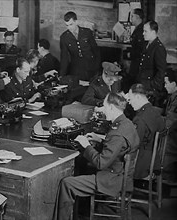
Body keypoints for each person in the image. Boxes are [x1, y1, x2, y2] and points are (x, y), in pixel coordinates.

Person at [52, 92, 139, 220]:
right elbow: (118, 148)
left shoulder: (117, 133)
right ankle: (79, 213)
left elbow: (100, 163)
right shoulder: (127, 123)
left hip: (112, 180)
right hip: (121, 174)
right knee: (83, 167)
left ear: (111, 107)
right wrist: (100, 140)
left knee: (67, 183)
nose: (102, 110)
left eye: (104, 106)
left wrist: (86, 145)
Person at [127, 83, 165, 179]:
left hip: (140, 166)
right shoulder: (156, 113)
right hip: (154, 162)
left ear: (138, 97)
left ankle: (119, 192)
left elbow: (133, 145)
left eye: (130, 99)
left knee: (109, 163)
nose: (129, 103)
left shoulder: (140, 119)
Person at [60, 11, 100, 84]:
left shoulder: (87, 33)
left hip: (91, 66)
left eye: (71, 24)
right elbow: (64, 58)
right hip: (76, 69)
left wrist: (97, 67)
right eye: (67, 25)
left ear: (76, 22)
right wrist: (62, 75)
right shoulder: (64, 37)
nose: (69, 28)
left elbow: (96, 51)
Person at [137, 20, 167, 107]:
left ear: (153, 32)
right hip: (143, 85)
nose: (143, 33)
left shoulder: (158, 48)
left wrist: (152, 86)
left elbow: (161, 71)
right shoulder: (148, 45)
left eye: (145, 31)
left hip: (150, 89)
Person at [163, 68, 177, 181]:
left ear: (174, 84)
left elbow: (169, 123)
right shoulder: (172, 97)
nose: (165, 86)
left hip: (173, 140)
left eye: (166, 83)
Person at [126, 8, 145, 90]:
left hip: (137, 63)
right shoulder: (138, 29)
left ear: (137, 17)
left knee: (133, 83)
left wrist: (130, 54)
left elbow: (141, 49)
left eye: (132, 16)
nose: (131, 19)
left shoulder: (141, 30)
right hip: (135, 62)